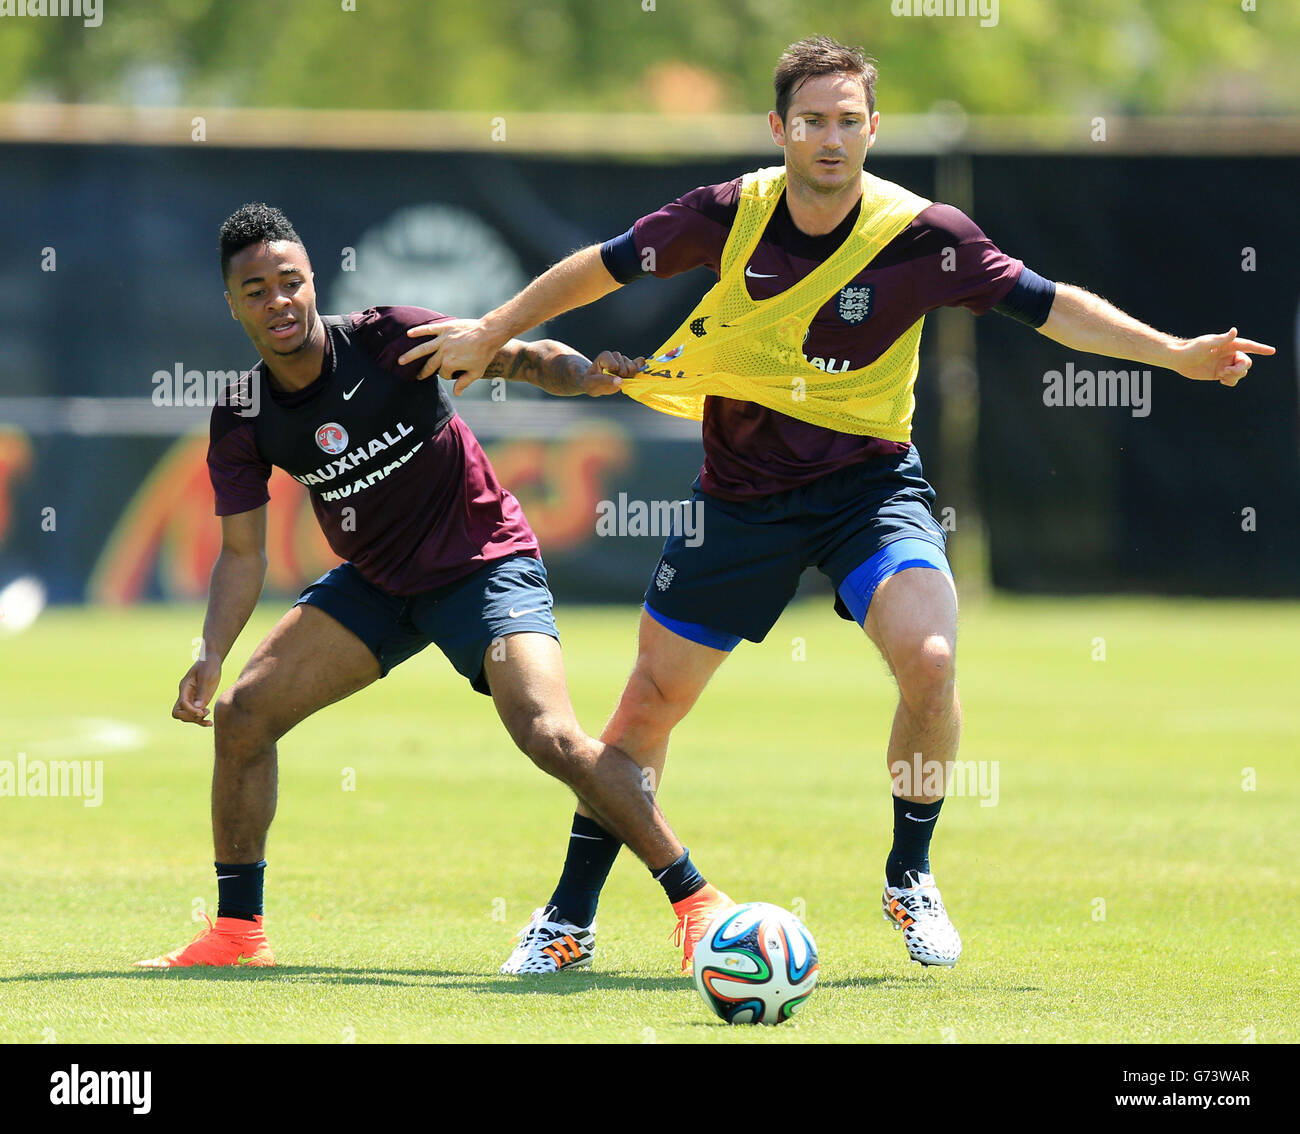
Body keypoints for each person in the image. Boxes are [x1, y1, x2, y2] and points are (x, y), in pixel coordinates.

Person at [398, 36, 1275, 974]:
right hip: (738, 499)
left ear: (873, 128)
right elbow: (601, 268)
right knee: (647, 708)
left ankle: (911, 875)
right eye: (811, 121)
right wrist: (492, 330)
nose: (829, 138)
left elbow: (1052, 304)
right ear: (779, 128)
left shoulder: (924, 235)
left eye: (847, 121)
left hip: (870, 491)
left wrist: (1176, 353)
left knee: (931, 660)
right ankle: (570, 917)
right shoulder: (728, 214)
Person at [134, 203, 731, 970]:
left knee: (547, 733)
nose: (278, 301)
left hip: (484, 562)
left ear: (314, 282)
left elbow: (518, 356)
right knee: (244, 714)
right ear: (232, 303)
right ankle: (237, 935)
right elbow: (242, 555)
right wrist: (211, 651)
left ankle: (695, 900)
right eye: (255, 290)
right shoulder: (243, 414)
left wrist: (582, 378)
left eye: (290, 282)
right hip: (377, 583)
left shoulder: (389, 339)